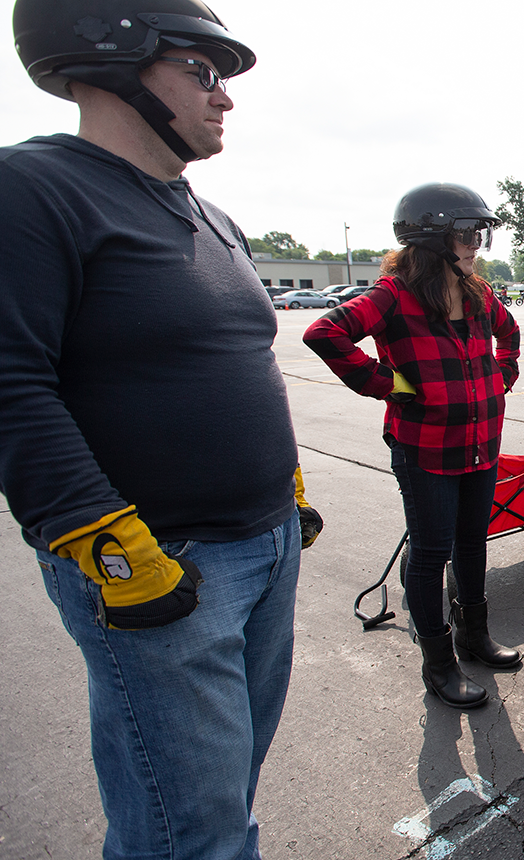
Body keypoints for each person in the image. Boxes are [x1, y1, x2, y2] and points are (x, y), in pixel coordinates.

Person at [1, 1, 321, 856]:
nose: (225, 98)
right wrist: (102, 538)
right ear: (113, 56)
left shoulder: (213, 217)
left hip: (268, 546)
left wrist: (282, 484)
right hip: (165, 563)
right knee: (192, 833)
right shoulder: (31, 188)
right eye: (203, 71)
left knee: (226, 794)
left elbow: (234, 359)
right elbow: (11, 383)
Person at [304, 183, 522, 710]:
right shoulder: (393, 295)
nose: (477, 245)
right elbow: (324, 333)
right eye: (467, 234)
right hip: (424, 448)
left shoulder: (478, 292)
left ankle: (474, 635)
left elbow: (509, 334)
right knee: (430, 553)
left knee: (473, 542)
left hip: (479, 445)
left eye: (480, 234)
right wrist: (390, 385)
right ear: (431, 237)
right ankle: (439, 664)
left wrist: (501, 377)